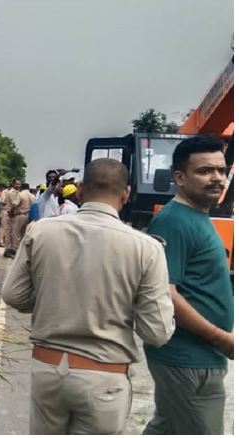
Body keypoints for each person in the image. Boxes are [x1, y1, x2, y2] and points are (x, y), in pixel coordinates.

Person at [1, 158, 175, 434]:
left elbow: (13, 295)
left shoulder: (42, 230)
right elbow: (157, 333)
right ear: (126, 194)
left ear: (81, 190)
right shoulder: (147, 248)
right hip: (104, 377)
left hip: (48, 368)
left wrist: (51, 297)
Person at [142, 135, 233, 435]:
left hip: (201, 356)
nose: (217, 177)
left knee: (168, 428)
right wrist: (221, 338)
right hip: (187, 358)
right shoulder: (174, 221)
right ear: (180, 178)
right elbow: (165, 293)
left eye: (221, 170)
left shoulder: (197, 216)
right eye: (205, 171)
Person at [6, 178, 32, 258]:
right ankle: (21, 252)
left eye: (19, 184)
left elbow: (15, 204)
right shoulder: (31, 195)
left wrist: (11, 212)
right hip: (26, 216)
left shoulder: (20, 194)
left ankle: (16, 252)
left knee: (16, 235)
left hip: (19, 215)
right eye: (17, 184)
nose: (18, 186)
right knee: (22, 234)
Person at [0, 182, 11, 248]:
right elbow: (3, 202)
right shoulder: (4, 192)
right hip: (4, 211)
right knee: (3, 226)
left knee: (8, 227)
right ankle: (0, 241)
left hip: (10, 211)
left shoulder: (13, 192)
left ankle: (6, 241)